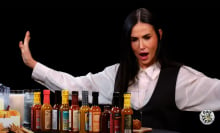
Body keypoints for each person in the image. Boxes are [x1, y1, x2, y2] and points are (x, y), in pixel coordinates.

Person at [19, 8, 220, 132]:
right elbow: (75, 85)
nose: (141, 46)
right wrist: (33, 64)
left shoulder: (181, 77)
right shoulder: (116, 74)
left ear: (159, 35)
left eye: (147, 38)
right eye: (134, 39)